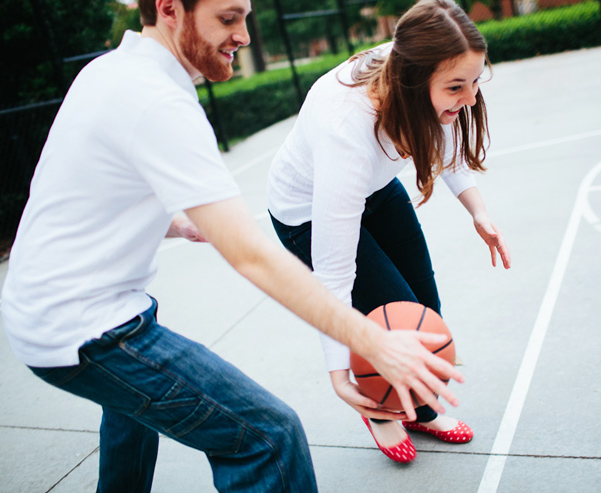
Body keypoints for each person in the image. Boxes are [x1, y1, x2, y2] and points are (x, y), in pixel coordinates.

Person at [0, 0, 464, 491]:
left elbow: (76, 196)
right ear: (169, 9)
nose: (243, 35)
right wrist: (370, 342)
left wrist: (172, 224)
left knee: (130, 412)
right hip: (84, 325)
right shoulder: (157, 99)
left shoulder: (109, 71)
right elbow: (251, 255)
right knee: (269, 438)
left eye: (245, 17)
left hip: (54, 305)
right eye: (228, 18)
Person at [267, 0, 511, 464]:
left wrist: (477, 210)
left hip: (373, 189)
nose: (471, 97)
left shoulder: (417, 63)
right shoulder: (347, 128)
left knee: (424, 310)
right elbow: (334, 275)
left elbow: (448, 131)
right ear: (415, 84)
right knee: (391, 319)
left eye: (476, 81)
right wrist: (339, 373)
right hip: (308, 213)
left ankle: (417, 408)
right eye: (457, 86)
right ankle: (380, 410)